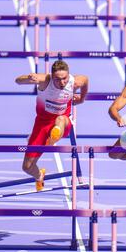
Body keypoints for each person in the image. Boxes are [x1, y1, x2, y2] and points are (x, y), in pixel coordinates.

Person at [15, 60, 89, 191]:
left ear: (69, 75)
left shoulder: (75, 81)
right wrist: (28, 78)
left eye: (64, 79)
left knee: (60, 119)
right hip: (42, 124)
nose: (61, 83)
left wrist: (82, 99)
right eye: (58, 79)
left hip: (63, 123)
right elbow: (18, 81)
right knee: (27, 167)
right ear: (51, 76)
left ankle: (53, 137)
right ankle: (39, 175)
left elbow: (86, 80)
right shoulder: (44, 81)